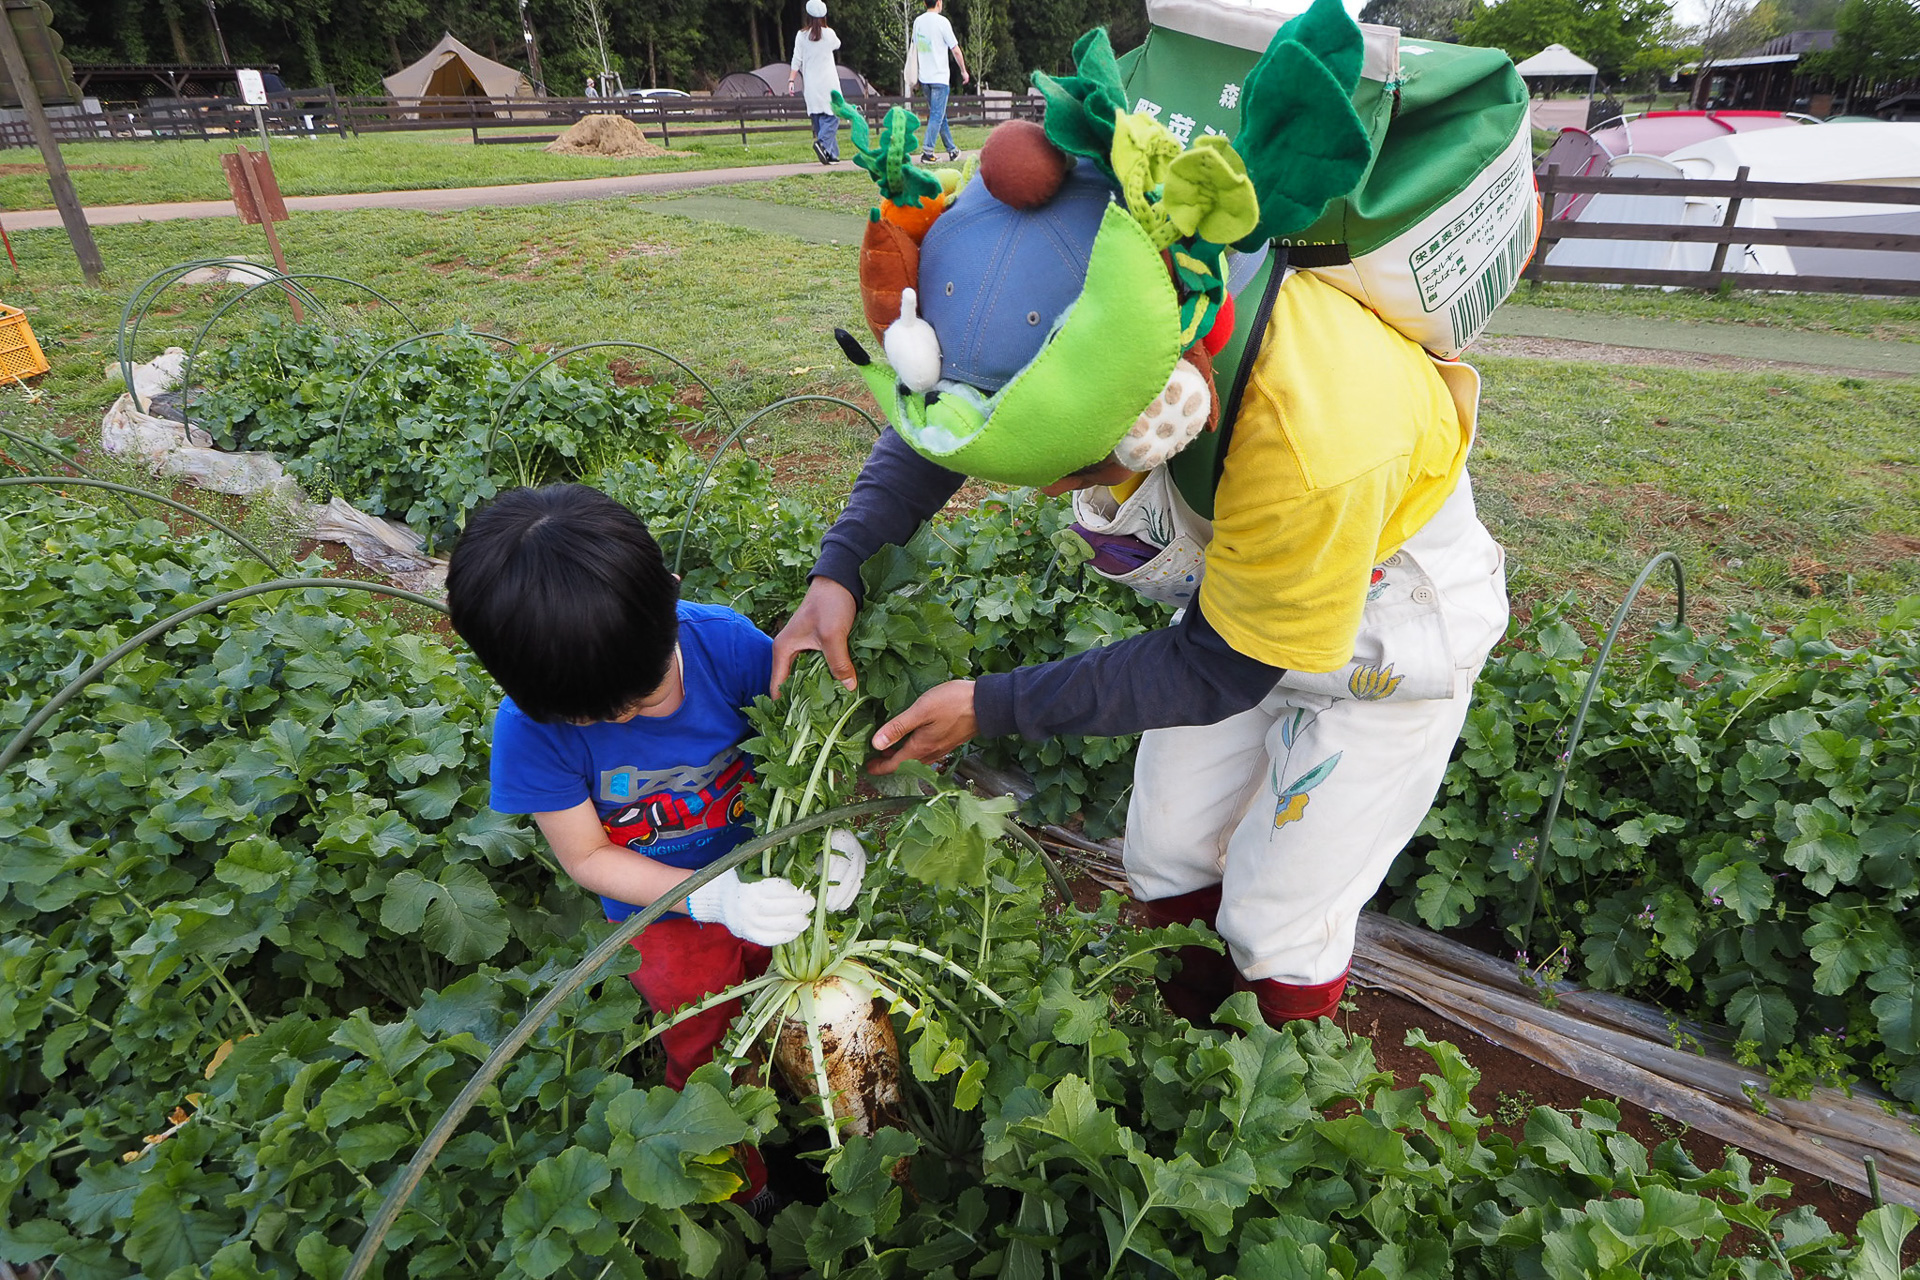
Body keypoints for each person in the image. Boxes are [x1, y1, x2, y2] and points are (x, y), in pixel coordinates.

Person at [773, 2, 1508, 1034]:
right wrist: (841, 566)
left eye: (1063, 462)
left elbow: (1221, 668)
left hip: (1385, 628)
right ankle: (1186, 1042)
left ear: (1154, 399)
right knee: (1165, 852)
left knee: (1278, 920)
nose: (1051, 487)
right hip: (1238, 594)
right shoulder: (1077, 242)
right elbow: (961, 404)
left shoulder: (1313, 436)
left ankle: (1272, 1087)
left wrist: (992, 705)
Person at [447, 484, 864, 1209]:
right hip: (664, 920)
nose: (630, 717)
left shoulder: (727, 646)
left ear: (670, 595)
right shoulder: (530, 732)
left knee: (798, 1017)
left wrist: (830, 830)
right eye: (599, 716)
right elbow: (586, 856)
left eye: (643, 696)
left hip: (775, 882)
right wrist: (712, 897)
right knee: (709, 1046)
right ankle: (743, 1182)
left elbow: (807, 747)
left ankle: (813, 1121)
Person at [910, 0, 968, 164]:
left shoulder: (918, 22)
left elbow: (914, 48)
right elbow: (955, 50)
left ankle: (952, 150)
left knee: (939, 115)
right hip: (939, 78)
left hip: (924, 78)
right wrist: (963, 71)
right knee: (937, 115)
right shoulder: (943, 22)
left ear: (924, 3)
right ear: (938, 2)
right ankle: (928, 152)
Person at [787, 0, 843, 165]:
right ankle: (823, 144)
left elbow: (796, 59)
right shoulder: (829, 34)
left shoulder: (801, 36)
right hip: (829, 83)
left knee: (819, 118)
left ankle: (831, 154)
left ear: (808, 17)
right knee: (833, 116)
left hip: (811, 84)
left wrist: (791, 79)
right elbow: (838, 45)